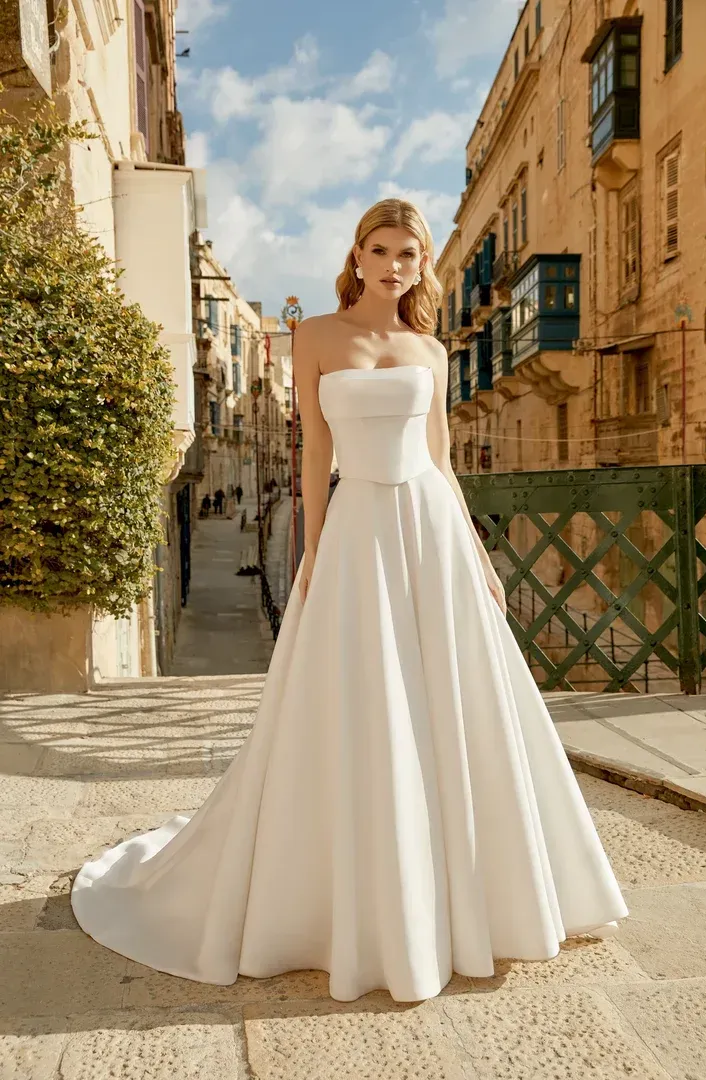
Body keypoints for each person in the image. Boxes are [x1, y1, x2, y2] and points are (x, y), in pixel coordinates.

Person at [71, 199, 628, 1004]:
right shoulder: (316, 336)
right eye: (381, 249)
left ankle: (475, 893)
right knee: (364, 698)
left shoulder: (431, 348)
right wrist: (313, 548)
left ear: (420, 265)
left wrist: (476, 552)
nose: (395, 264)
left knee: (454, 701)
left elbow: (439, 458)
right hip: (359, 524)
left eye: (410, 253)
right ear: (357, 256)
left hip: (429, 528)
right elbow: (314, 456)